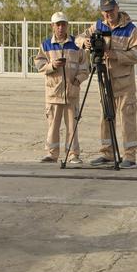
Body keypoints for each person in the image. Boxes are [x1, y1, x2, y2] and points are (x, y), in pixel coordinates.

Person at [78, 0, 137, 168]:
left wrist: (117, 55)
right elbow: (78, 38)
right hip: (104, 80)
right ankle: (107, 153)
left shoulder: (130, 29)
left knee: (126, 118)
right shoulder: (98, 26)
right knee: (105, 118)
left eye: (111, 10)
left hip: (124, 84)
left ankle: (129, 156)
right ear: (102, 12)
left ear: (117, 8)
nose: (109, 14)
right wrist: (85, 43)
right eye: (105, 11)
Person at [32, 12, 89, 164]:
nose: (61, 27)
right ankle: (52, 154)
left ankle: (73, 154)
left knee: (72, 126)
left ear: (67, 25)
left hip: (72, 92)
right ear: (52, 26)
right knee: (53, 126)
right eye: (58, 24)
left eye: (63, 24)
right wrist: (52, 66)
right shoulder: (46, 45)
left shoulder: (76, 45)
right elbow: (39, 65)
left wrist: (77, 81)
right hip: (53, 92)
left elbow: (85, 68)